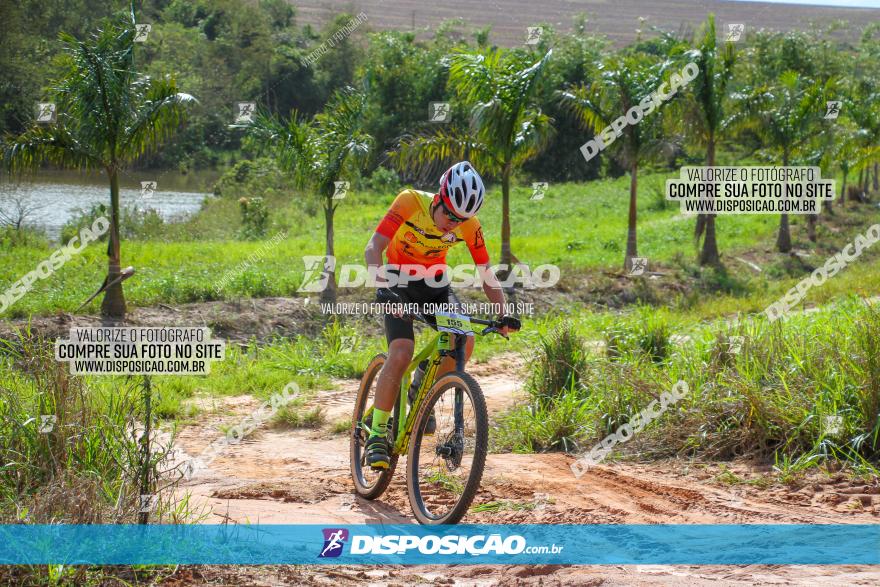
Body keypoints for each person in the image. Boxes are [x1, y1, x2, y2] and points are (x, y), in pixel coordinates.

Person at [362, 161, 520, 469]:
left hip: (434, 286)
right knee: (401, 351)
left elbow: (487, 275)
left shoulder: (469, 226)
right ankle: (378, 433)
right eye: (449, 214)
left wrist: (503, 314)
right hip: (397, 281)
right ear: (439, 198)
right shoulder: (409, 201)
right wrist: (381, 287)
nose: (452, 223)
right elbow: (373, 248)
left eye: (460, 219)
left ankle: (423, 389)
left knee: (466, 339)